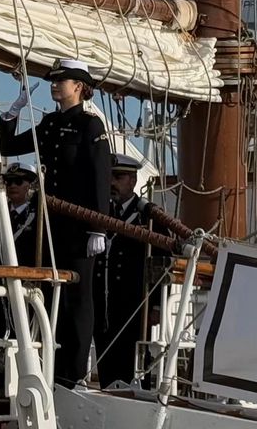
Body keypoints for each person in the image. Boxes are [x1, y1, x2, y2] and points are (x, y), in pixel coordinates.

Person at [0, 59, 111, 387]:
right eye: (53, 80)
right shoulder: (48, 125)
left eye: (61, 81)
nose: (54, 85)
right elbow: (9, 146)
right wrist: (11, 114)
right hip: (50, 226)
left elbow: (99, 178)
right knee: (49, 294)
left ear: (78, 87)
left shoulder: (91, 126)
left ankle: (74, 372)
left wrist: (98, 227)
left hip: (81, 226)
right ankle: (53, 367)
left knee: (77, 299)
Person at [94, 153, 168, 389]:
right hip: (105, 302)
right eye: (110, 177)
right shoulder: (100, 213)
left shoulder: (148, 217)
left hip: (135, 304)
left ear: (133, 180)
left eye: (119, 177)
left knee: (132, 362)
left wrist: (156, 305)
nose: (112, 183)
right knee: (106, 360)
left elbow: (161, 262)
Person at [0, 163, 41, 337]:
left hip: (26, 287)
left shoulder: (38, 216)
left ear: (31, 185)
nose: (12, 186)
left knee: (26, 335)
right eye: (8, 181)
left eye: (18, 181)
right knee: (1, 333)